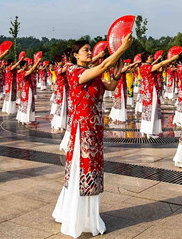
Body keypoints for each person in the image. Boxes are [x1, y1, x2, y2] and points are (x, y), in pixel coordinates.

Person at [52, 33, 132, 238]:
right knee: (82, 169)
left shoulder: (91, 72)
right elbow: (103, 65)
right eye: (86, 50)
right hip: (83, 128)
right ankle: (76, 216)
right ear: (75, 55)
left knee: (92, 169)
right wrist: (121, 49)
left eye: (90, 49)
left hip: (95, 128)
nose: (90, 52)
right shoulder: (72, 70)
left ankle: (87, 215)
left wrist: (117, 72)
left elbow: (111, 86)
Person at [139, 52, 179, 138]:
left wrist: (164, 63)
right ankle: (150, 131)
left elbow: (160, 70)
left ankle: (146, 130)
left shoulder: (143, 67)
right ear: (146, 59)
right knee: (152, 110)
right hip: (151, 90)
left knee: (147, 112)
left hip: (147, 91)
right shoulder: (148, 67)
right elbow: (160, 64)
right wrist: (172, 58)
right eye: (150, 57)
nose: (152, 58)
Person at [16, 58, 41, 124]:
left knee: (28, 103)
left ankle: (28, 118)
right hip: (27, 90)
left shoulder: (23, 71)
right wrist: (37, 62)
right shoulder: (22, 72)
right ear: (22, 66)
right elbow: (31, 70)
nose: (27, 65)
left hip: (27, 89)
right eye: (26, 64)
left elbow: (34, 70)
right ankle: (25, 119)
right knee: (27, 103)